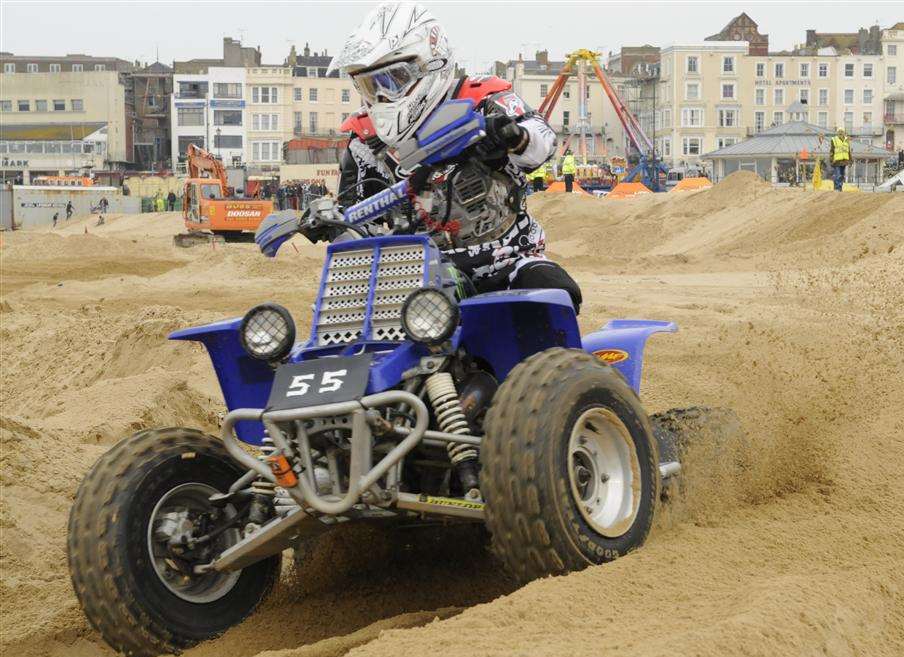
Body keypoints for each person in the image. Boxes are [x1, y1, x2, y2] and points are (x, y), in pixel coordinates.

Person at [331, 1, 579, 313]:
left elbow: (543, 144)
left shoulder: (482, 98)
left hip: (512, 257)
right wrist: (332, 226)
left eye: (392, 80)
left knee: (556, 294)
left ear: (428, 64)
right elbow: (353, 220)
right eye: (370, 85)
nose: (381, 95)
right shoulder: (364, 138)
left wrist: (511, 136)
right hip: (421, 276)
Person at [829, 126, 852, 192]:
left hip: (844, 161)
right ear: (837, 133)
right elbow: (832, 151)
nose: (841, 133)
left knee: (842, 175)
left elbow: (848, 151)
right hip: (836, 161)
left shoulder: (846, 140)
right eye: (839, 132)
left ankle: (839, 188)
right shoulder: (834, 139)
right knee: (838, 175)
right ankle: (837, 188)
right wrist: (831, 160)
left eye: (842, 132)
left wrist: (850, 160)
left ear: (844, 133)